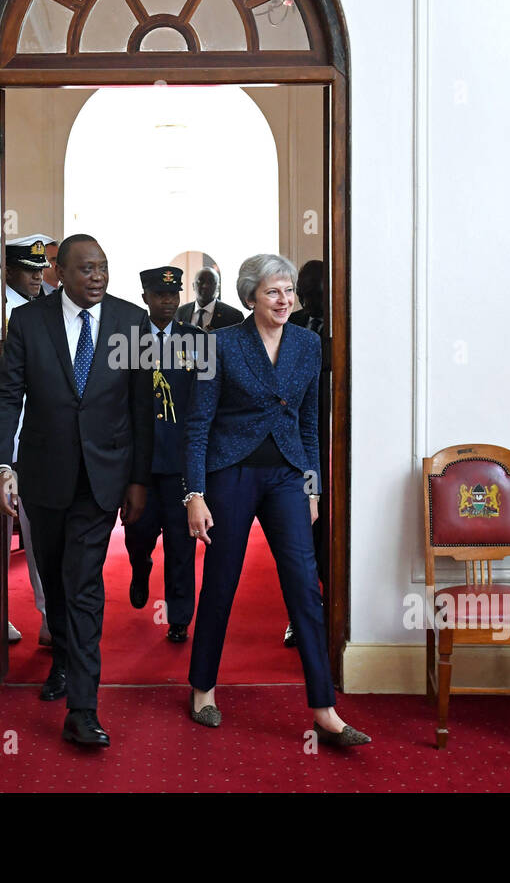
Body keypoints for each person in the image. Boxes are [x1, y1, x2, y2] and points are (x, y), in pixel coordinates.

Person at [183, 253, 370, 747]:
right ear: (250, 298)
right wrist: (194, 494)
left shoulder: (308, 345)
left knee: (305, 588)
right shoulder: (220, 344)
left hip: (288, 475)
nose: (284, 299)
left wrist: (312, 487)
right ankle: (203, 688)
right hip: (231, 474)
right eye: (273, 291)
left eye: (288, 290)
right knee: (221, 581)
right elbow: (198, 424)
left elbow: (309, 424)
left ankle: (324, 708)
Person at [0, 233, 153, 748]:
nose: (97, 277)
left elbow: (142, 408)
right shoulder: (29, 322)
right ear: (59, 271)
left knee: (83, 584)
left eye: (102, 267)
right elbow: (8, 395)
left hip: (102, 480)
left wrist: (139, 479)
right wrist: (1, 467)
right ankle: (59, 660)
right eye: (85, 269)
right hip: (43, 474)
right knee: (55, 580)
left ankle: (83, 707)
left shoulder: (131, 321)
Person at [123, 266, 203, 643]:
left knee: (180, 543)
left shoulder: (197, 340)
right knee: (137, 536)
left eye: (173, 295)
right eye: (160, 295)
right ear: (146, 298)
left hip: (180, 464)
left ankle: (179, 616)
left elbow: (208, 404)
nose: (168, 302)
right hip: (138, 464)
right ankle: (140, 570)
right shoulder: (126, 341)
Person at [3, 235, 54, 647]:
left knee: (38, 536)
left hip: (37, 439)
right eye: (29, 270)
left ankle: (50, 618)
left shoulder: (44, 307)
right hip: (5, 437)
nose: (37, 277)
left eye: (40, 269)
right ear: (9, 270)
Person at [284, 258, 327, 648]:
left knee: (330, 533)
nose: (308, 302)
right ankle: (298, 616)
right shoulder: (292, 325)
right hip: (295, 447)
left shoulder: (345, 325)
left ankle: (330, 607)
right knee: (302, 536)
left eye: (316, 294)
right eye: (304, 294)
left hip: (335, 445)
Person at [177, 266, 242, 331]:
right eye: (200, 281)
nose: (205, 286)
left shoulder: (234, 316)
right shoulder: (179, 313)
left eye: (210, 282)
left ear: (217, 287)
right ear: (193, 285)